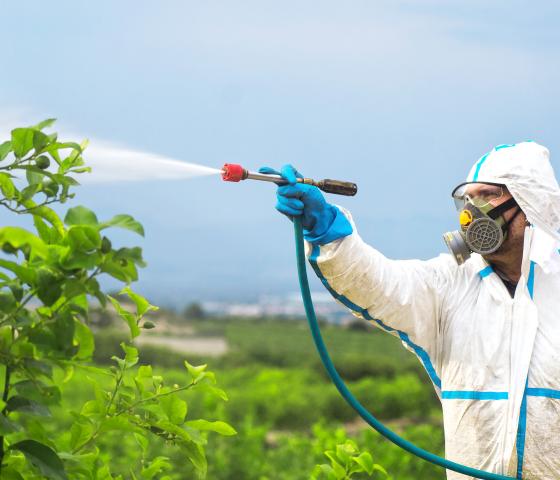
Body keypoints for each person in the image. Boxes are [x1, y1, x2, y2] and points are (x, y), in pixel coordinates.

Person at [260, 141, 560, 480]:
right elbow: (381, 284)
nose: (472, 211)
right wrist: (326, 230)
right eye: (468, 198)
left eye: (487, 195)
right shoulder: (450, 286)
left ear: (530, 202)